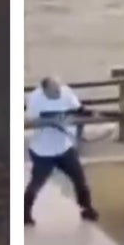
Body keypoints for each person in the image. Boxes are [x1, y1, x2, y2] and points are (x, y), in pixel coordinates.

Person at [24, 76, 99, 226]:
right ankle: (24, 213)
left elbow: (78, 110)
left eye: (58, 89)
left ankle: (87, 208)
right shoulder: (35, 99)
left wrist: (87, 114)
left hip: (64, 148)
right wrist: (50, 122)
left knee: (80, 180)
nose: (58, 93)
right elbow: (29, 122)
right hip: (43, 151)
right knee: (36, 184)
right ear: (44, 91)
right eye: (54, 92)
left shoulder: (66, 93)